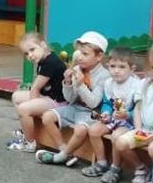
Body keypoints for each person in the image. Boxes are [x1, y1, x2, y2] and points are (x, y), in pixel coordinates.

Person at [103, 40, 153, 183]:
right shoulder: (145, 83)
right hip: (144, 130)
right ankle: (140, 169)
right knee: (120, 143)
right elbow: (138, 108)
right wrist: (138, 129)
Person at [35, 31, 110, 167]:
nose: (80, 57)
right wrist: (68, 82)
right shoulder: (77, 69)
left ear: (99, 56)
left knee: (80, 130)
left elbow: (93, 103)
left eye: (85, 54)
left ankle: (61, 157)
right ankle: (63, 150)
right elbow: (69, 98)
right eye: (79, 53)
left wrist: (80, 85)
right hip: (75, 107)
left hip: (92, 113)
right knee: (47, 117)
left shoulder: (104, 76)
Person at [81, 47, 143, 177]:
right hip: (114, 118)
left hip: (130, 122)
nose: (116, 71)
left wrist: (127, 115)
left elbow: (140, 109)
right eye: (112, 66)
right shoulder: (109, 83)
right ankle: (101, 163)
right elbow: (107, 103)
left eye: (122, 67)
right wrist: (106, 113)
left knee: (116, 136)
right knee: (93, 130)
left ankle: (115, 168)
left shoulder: (136, 85)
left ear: (132, 69)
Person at [9, 32, 67, 153]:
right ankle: (26, 130)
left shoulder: (51, 62)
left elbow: (35, 88)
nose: (30, 55)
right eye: (26, 53)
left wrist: (31, 107)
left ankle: (30, 143)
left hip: (58, 102)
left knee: (23, 109)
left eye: (32, 49)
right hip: (48, 97)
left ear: (43, 45)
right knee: (16, 96)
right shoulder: (43, 60)